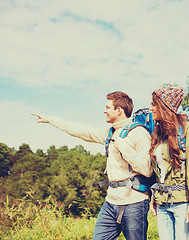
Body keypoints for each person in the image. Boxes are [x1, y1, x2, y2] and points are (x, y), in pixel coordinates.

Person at [32, 91, 152, 240]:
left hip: (135, 203)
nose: (104, 110)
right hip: (111, 202)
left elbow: (147, 170)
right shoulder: (109, 133)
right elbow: (83, 131)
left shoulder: (139, 133)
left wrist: (124, 148)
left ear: (119, 110)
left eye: (108, 107)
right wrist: (51, 120)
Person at [148, 86, 189, 240]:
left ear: (165, 106)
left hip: (184, 202)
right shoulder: (159, 134)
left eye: (154, 104)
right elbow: (161, 170)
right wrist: (155, 195)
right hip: (162, 203)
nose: (151, 108)